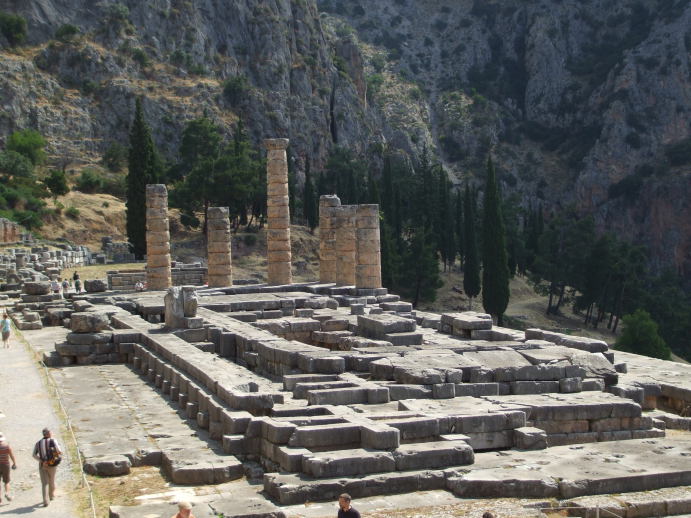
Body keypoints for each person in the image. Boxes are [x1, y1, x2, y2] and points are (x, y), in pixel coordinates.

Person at [32, 428, 62, 507]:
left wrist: (42, 461)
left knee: (44, 483)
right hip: (52, 464)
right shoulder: (53, 440)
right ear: (48, 433)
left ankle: (45, 501)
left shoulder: (38, 443)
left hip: (42, 464)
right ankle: (51, 496)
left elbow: (34, 455)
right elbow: (59, 451)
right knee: (51, 480)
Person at [0, 432, 17, 503]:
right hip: (5, 465)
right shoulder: (7, 446)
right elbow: (11, 455)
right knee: (6, 481)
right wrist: (14, 463)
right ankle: (7, 493)